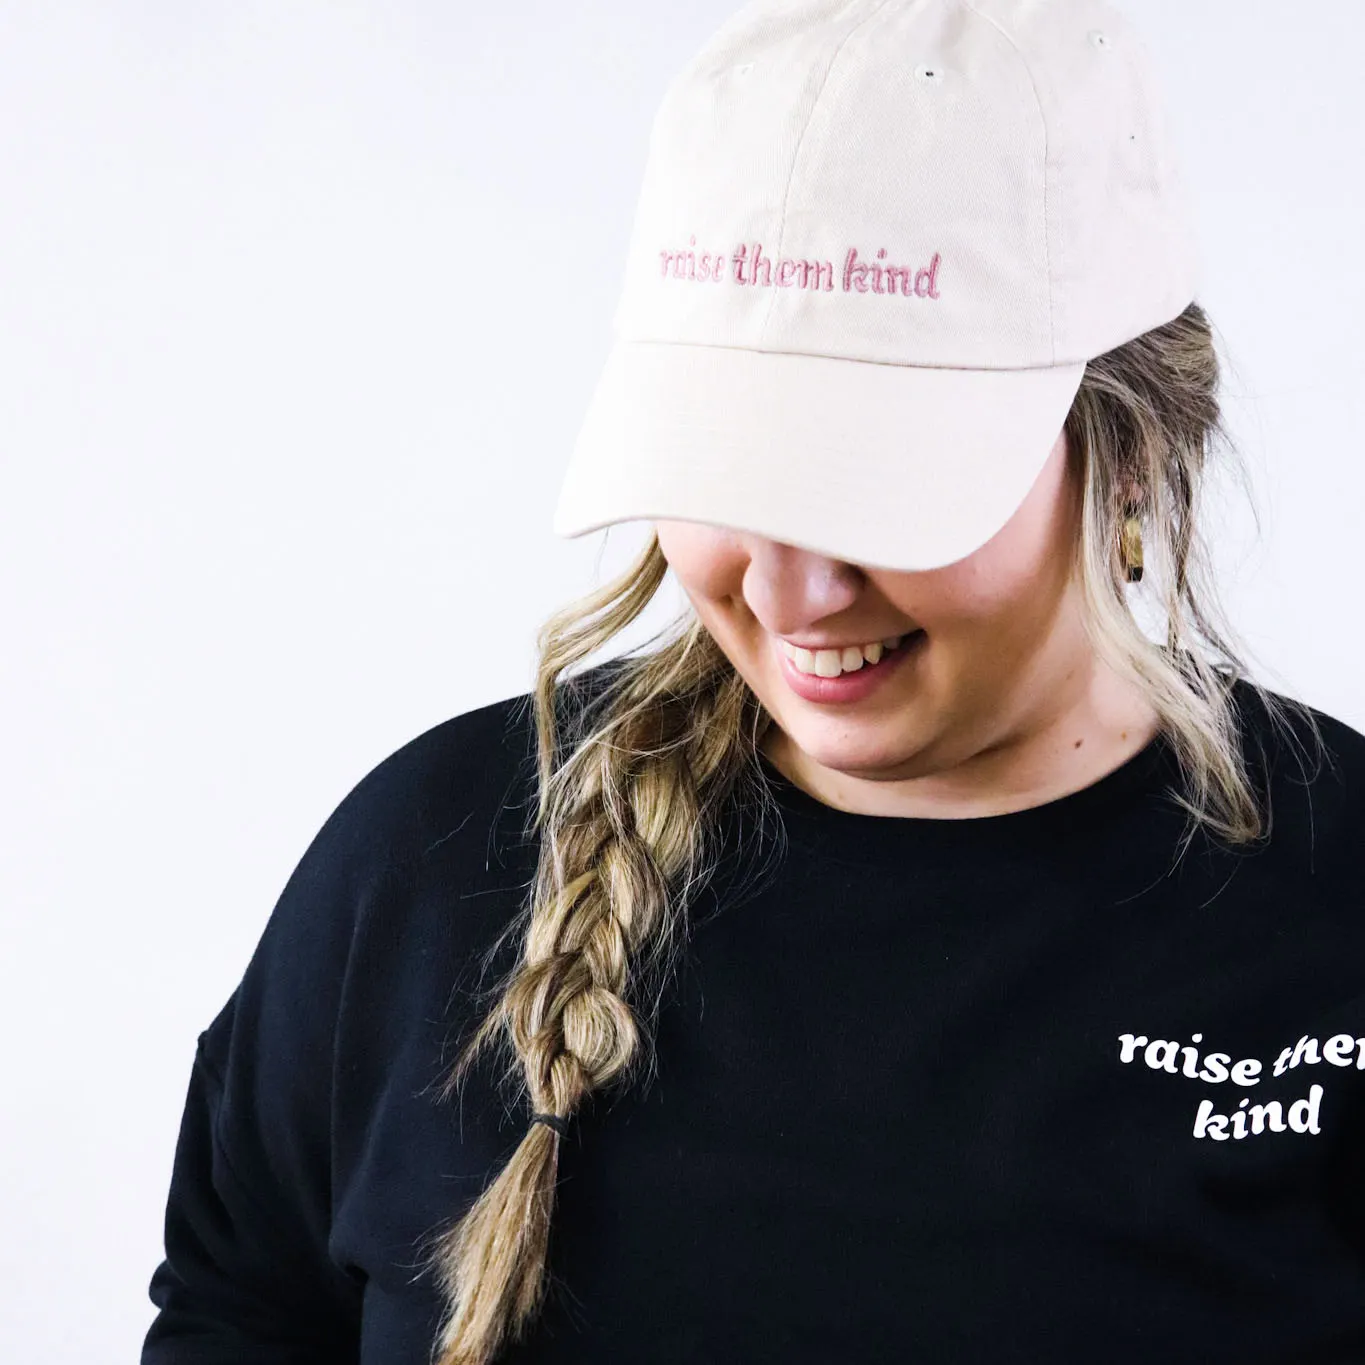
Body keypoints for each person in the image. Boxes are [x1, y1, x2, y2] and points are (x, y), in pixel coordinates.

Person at [142, 2, 1365, 1363]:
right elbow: (238, 1307)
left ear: (1132, 444)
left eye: (884, 486)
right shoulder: (433, 866)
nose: (791, 593)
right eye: (730, 470)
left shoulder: (1338, 897)